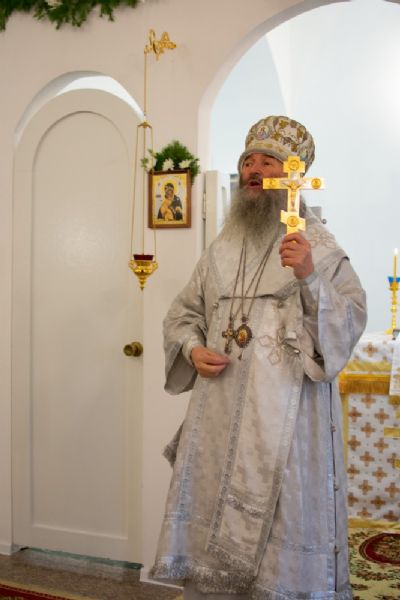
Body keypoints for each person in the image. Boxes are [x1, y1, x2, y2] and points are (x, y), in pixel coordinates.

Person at [150, 116, 367, 599]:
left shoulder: (320, 249)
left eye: (269, 160)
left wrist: (309, 277)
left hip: (287, 424)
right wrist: (192, 348)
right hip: (219, 417)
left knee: (279, 540)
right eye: (249, 160)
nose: (254, 168)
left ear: (293, 176)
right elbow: (182, 315)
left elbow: (349, 321)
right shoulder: (221, 249)